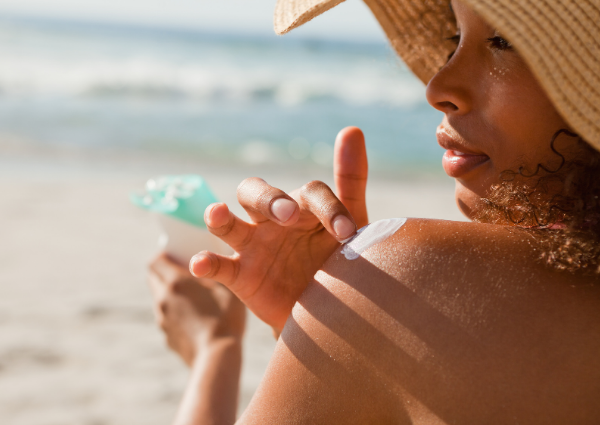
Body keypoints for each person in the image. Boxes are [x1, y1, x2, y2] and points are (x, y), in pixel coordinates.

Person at [148, 0, 600, 423]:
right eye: (455, 39)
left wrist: (215, 350)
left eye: (505, 41)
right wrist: (327, 338)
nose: (438, 86)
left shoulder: (416, 278)